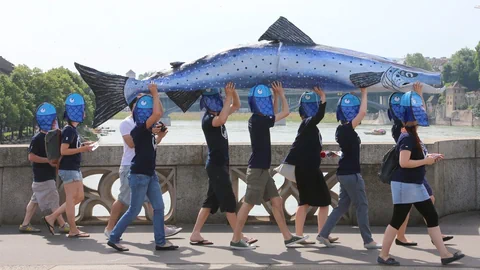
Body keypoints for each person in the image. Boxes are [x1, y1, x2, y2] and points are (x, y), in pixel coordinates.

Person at [377, 83, 464, 266]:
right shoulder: (407, 136)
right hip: (405, 185)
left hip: (413, 184)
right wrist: (426, 161)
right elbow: (403, 162)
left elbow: (416, 156)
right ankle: (383, 255)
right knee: (397, 220)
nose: (421, 114)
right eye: (417, 112)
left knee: (430, 216)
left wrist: (428, 156)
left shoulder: (411, 133)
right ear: (412, 116)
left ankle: (445, 255)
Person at [230, 82, 307, 250]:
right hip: (257, 170)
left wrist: (276, 95)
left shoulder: (257, 119)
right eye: (263, 101)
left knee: (277, 201)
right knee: (248, 204)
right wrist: (281, 93)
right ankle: (236, 239)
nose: (265, 104)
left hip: (262, 169)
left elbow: (272, 113)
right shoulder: (259, 120)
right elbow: (285, 112)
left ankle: (288, 238)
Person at [108, 82, 178, 252]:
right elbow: (158, 112)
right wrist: (155, 93)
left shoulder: (148, 131)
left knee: (159, 207)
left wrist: (159, 135)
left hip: (149, 174)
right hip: (139, 175)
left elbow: (157, 116)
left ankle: (160, 242)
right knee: (133, 210)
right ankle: (114, 237)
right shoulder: (139, 129)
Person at [190, 83, 257, 246]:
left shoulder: (217, 114)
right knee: (228, 202)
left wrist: (232, 91)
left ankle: (195, 234)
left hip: (219, 165)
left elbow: (237, 105)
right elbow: (222, 119)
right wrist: (227, 97)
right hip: (216, 166)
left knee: (209, 202)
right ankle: (238, 236)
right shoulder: (208, 119)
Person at [317, 88, 381, 249]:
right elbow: (363, 113)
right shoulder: (348, 129)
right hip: (351, 174)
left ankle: (323, 234)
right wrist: (364, 93)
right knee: (362, 206)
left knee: (342, 207)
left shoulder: (340, 130)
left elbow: (345, 150)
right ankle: (368, 241)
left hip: (343, 173)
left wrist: (333, 153)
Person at [387, 91, 453, 246]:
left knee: (422, 204)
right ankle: (407, 238)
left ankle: (430, 235)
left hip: (414, 173)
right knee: (408, 210)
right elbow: (406, 157)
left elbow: (420, 117)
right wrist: (425, 160)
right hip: (409, 175)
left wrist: (428, 155)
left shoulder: (408, 129)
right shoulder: (402, 129)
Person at [282, 87, 338, 244]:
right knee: (324, 201)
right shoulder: (308, 123)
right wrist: (323, 98)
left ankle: (304, 235)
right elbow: (318, 116)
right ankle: (321, 233)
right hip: (308, 171)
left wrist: (326, 154)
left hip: (306, 169)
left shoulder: (309, 128)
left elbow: (311, 149)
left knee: (305, 202)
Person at [43, 93, 94, 238]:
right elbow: (63, 150)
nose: (84, 113)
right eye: (82, 111)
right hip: (68, 169)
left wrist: (84, 145)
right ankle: (73, 230)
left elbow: (72, 146)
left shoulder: (73, 130)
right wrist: (82, 149)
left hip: (74, 168)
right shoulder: (68, 130)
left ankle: (51, 217)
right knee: (71, 199)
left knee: (79, 197)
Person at [20, 103, 69, 234]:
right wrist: (48, 161)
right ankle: (63, 225)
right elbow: (31, 157)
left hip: (42, 176)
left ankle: (25, 224)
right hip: (44, 176)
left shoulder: (50, 136)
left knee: (34, 201)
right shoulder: (37, 138)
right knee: (54, 201)